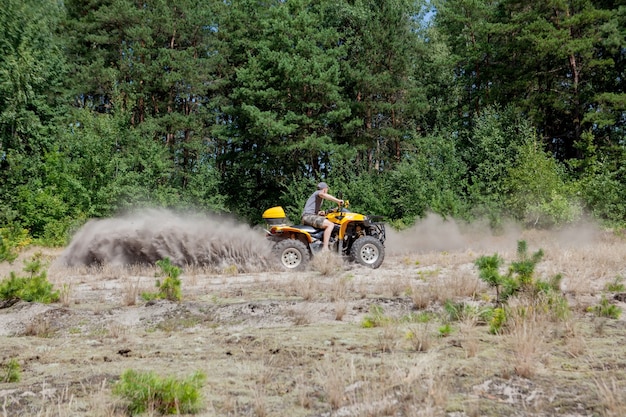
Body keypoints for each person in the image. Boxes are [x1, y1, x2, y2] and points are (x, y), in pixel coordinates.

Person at [301, 182, 344, 251]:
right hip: (308, 216)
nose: (327, 191)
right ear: (324, 189)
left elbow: (313, 210)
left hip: (309, 216)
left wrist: (323, 212)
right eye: (327, 189)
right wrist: (338, 201)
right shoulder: (319, 192)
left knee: (327, 222)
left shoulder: (316, 196)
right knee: (330, 225)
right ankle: (325, 248)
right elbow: (322, 194)